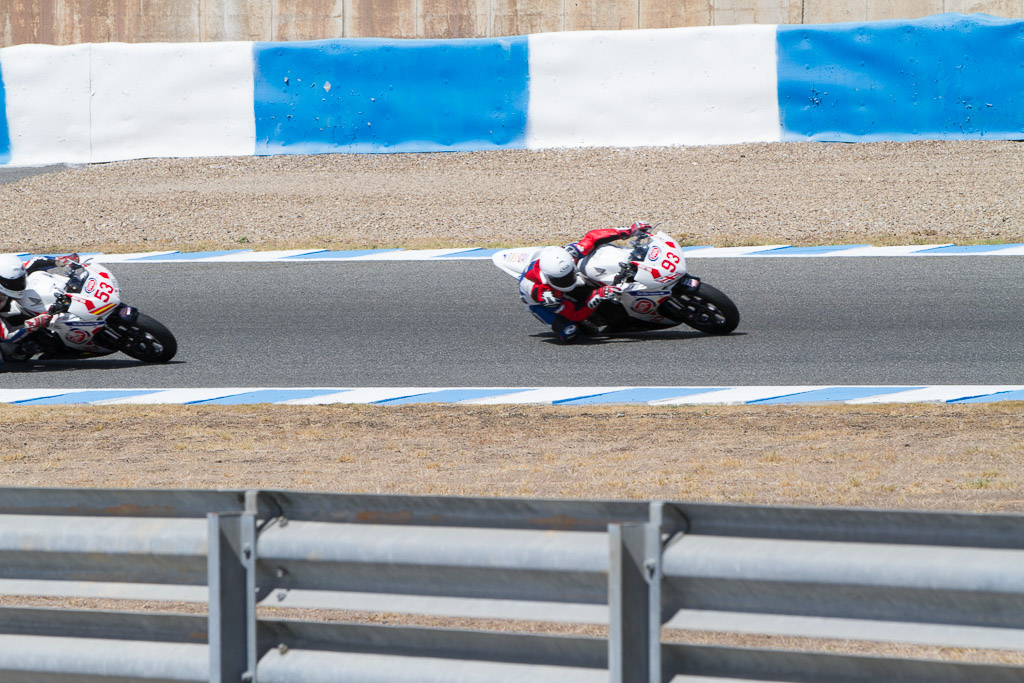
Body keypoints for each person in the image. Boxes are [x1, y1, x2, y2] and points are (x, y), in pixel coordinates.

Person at [519, 222, 651, 343]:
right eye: (561, 280)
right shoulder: (545, 294)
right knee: (569, 333)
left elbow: (593, 237)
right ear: (549, 278)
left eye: (569, 275)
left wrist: (629, 231)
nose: (567, 281)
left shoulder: (570, 255)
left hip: (550, 261)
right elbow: (574, 314)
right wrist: (597, 295)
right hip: (537, 303)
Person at [0, 253, 78, 355]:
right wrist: (33, 323)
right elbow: (7, 336)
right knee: (7, 350)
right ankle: (18, 351)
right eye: (13, 282)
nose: (18, 284)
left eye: (19, 280)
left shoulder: (7, 273)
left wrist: (60, 260)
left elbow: (35, 262)